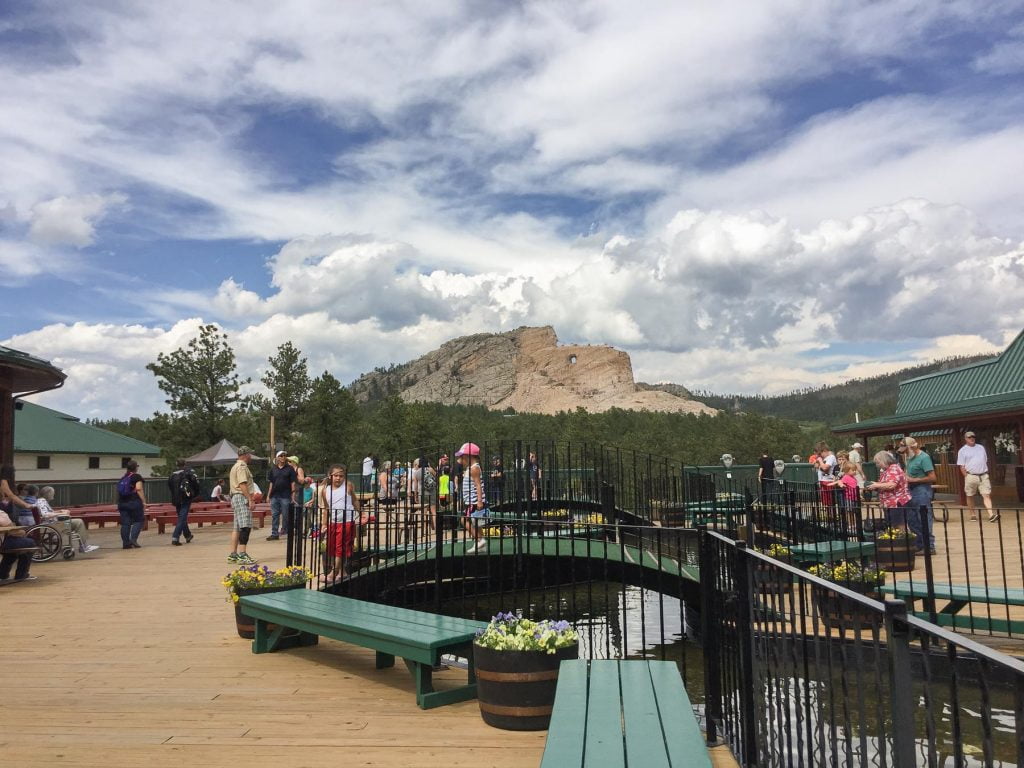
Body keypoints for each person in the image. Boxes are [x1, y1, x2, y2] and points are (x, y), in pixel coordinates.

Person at [318, 464, 364, 585]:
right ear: (330, 476)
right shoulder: (325, 490)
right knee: (333, 548)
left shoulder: (348, 486)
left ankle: (334, 572)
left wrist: (362, 513)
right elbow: (326, 508)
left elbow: (354, 500)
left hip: (347, 521)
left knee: (340, 547)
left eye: (341, 476)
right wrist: (324, 524)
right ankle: (342, 572)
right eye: (336, 475)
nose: (338, 478)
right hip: (333, 522)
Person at [37, 486, 99, 553]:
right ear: (48, 493)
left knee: (73, 521)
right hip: (53, 525)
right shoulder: (41, 501)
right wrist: (60, 514)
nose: (53, 495)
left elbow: (47, 512)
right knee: (79, 522)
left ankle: (83, 544)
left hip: (53, 523)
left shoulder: (41, 501)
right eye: (53, 493)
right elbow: (45, 515)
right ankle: (83, 546)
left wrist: (59, 511)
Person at [865, 451, 915, 532]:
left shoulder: (893, 468)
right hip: (890, 504)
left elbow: (892, 484)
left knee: (899, 525)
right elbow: (885, 483)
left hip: (897, 502)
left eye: (878, 462)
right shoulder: (886, 470)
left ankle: (902, 541)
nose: (877, 465)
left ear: (884, 460)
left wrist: (876, 485)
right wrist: (875, 484)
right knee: (894, 525)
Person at [904, 437, 936, 553]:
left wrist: (914, 480)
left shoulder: (924, 458)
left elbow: (932, 477)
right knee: (912, 519)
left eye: (905, 449)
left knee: (924, 518)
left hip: (921, 490)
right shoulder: (909, 458)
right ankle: (919, 543)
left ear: (912, 447)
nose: (904, 452)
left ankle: (929, 546)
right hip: (910, 491)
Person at [227, 446, 258, 564]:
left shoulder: (235, 466)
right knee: (245, 526)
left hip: (236, 497)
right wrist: (250, 499)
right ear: (245, 455)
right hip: (241, 496)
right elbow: (242, 484)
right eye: (250, 454)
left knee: (237, 527)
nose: (251, 456)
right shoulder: (241, 467)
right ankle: (242, 554)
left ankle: (233, 554)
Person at [957, 431, 996, 522]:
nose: (972, 438)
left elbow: (984, 460)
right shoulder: (962, 450)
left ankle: (991, 515)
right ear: (966, 438)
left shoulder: (981, 447)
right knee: (970, 495)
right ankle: (972, 514)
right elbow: (961, 466)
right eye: (969, 437)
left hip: (983, 475)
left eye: (973, 437)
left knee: (986, 495)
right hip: (971, 475)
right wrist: (966, 476)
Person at [458, 442, 487, 552]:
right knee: (477, 522)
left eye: (463, 456)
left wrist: (479, 501)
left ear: (469, 456)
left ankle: (480, 541)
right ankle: (481, 545)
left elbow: (478, 485)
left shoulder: (474, 468)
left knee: (464, 520)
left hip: (474, 501)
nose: (462, 459)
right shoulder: (471, 467)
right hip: (472, 500)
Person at [266, 450, 297, 541]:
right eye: (281, 456)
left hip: (285, 495)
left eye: (284, 456)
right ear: (277, 458)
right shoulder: (273, 469)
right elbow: (271, 483)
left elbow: (293, 483)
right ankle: (274, 533)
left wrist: (293, 495)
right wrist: (268, 495)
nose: (283, 457)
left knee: (285, 515)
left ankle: (286, 530)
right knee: (275, 515)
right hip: (275, 495)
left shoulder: (290, 469)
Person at [168, 459, 200, 546]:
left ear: (176, 465)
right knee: (182, 518)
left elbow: (170, 487)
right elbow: (196, 483)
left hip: (176, 499)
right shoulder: (189, 472)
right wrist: (194, 494)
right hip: (186, 498)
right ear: (185, 464)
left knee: (181, 517)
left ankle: (187, 535)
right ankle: (175, 537)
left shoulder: (172, 475)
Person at [117, 460, 147, 549]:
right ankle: (133, 539)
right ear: (135, 467)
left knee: (125, 524)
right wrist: (144, 501)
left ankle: (126, 543)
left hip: (122, 503)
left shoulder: (123, 477)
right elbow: (138, 489)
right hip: (134, 502)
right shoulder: (137, 477)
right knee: (139, 520)